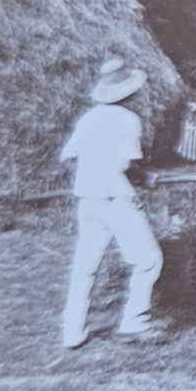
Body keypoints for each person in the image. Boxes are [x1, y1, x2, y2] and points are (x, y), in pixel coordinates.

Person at [58, 58, 164, 349]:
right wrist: (145, 176)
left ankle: (72, 331)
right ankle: (135, 323)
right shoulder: (129, 121)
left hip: (87, 199)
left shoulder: (88, 119)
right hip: (116, 198)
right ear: (130, 92)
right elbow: (124, 164)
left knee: (86, 265)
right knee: (148, 259)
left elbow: (68, 156)